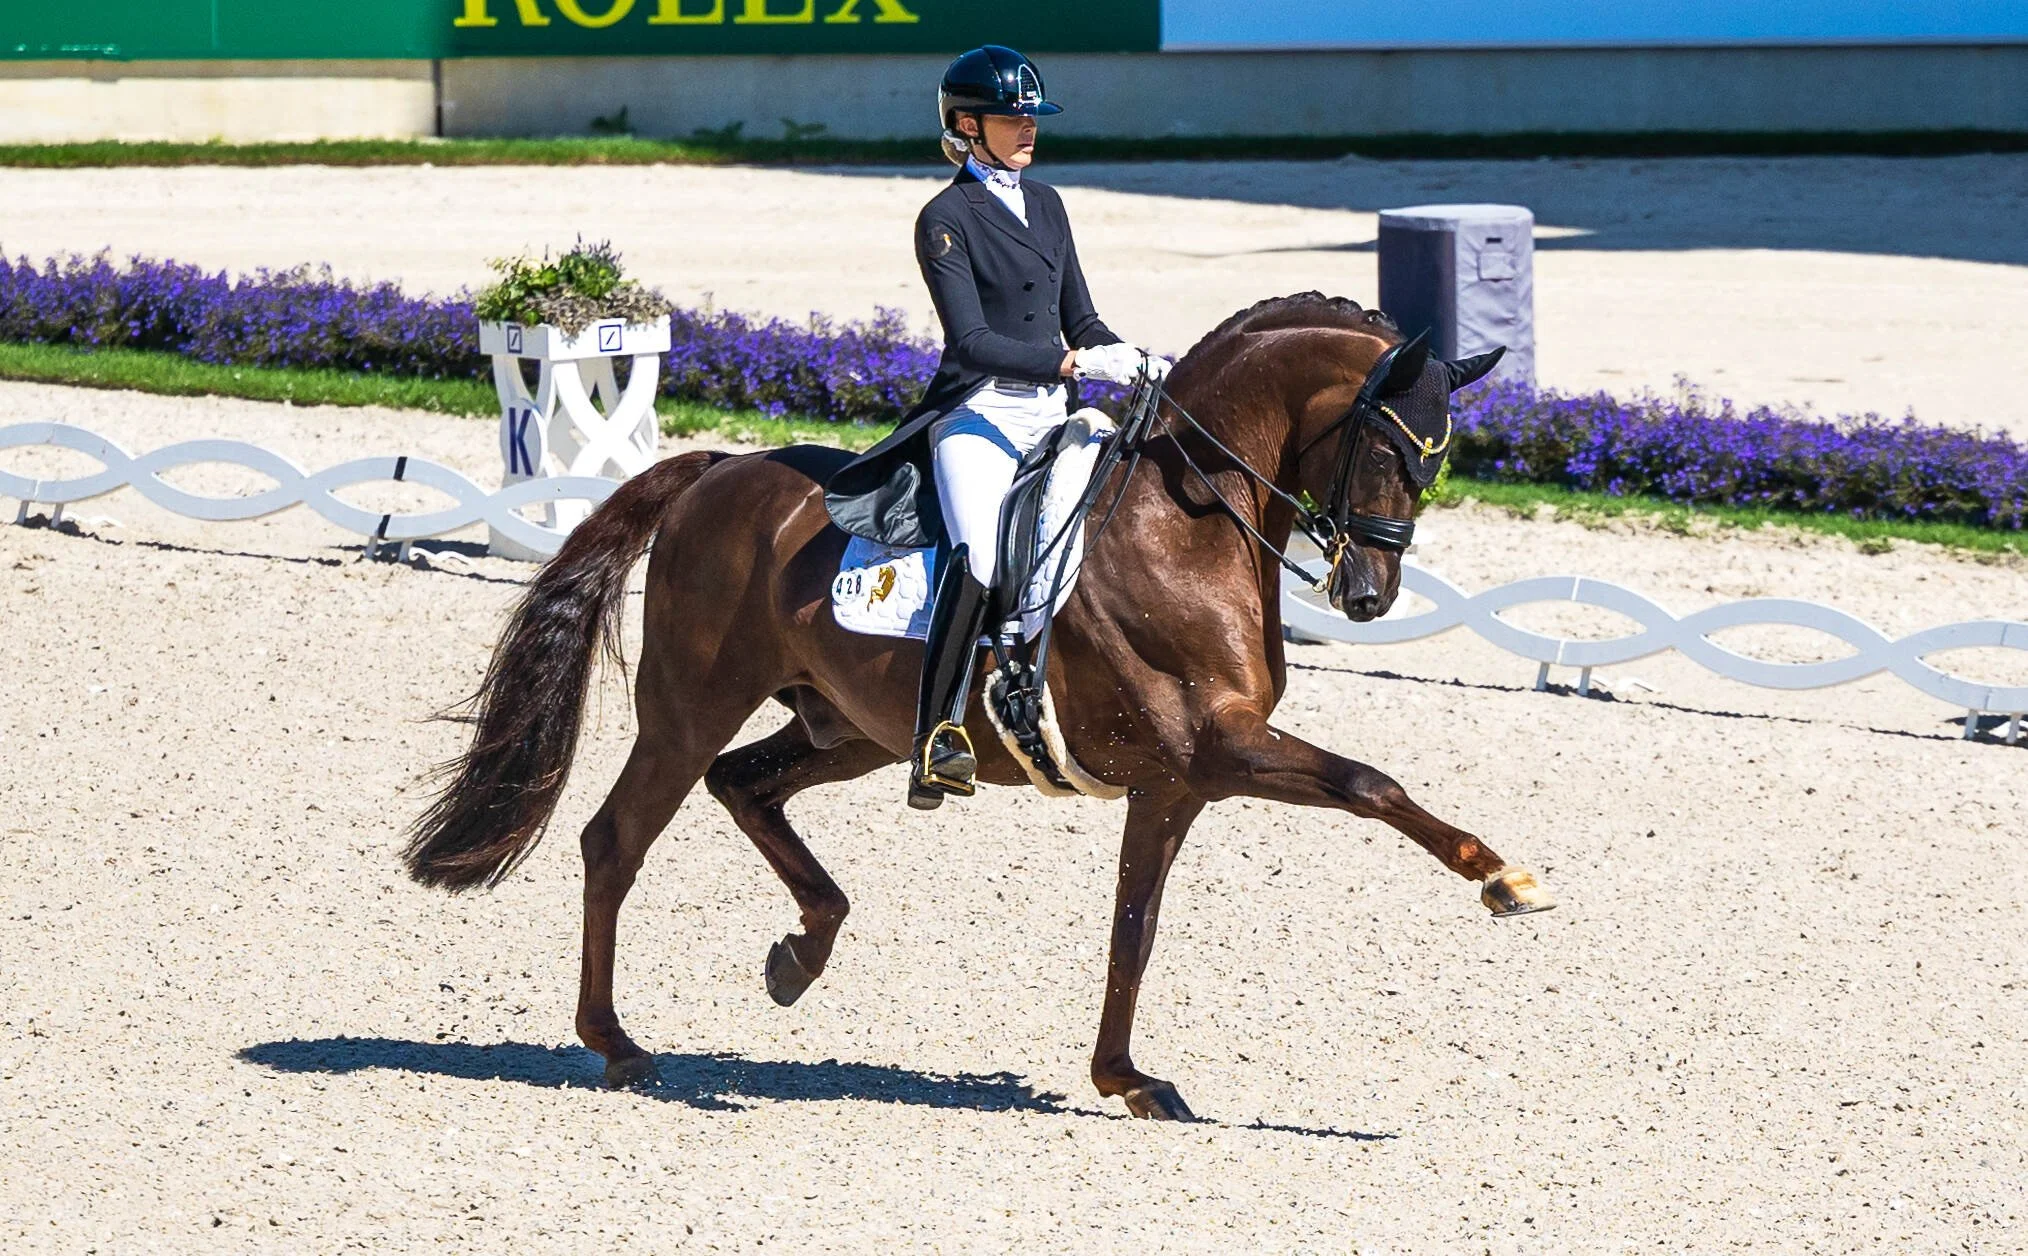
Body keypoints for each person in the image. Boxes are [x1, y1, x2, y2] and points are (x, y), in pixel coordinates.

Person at [824, 44, 1168, 810]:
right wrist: (1071, 365)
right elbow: (970, 342)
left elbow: (1081, 315)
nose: (1028, 129)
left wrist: (1134, 357)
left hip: (1053, 412)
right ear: (966, 125)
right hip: (977, 413)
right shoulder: (945, 218)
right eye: (1013, 117)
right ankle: (935, 734)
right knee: (981, 554)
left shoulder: (1047, 203)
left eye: (1032, 117)